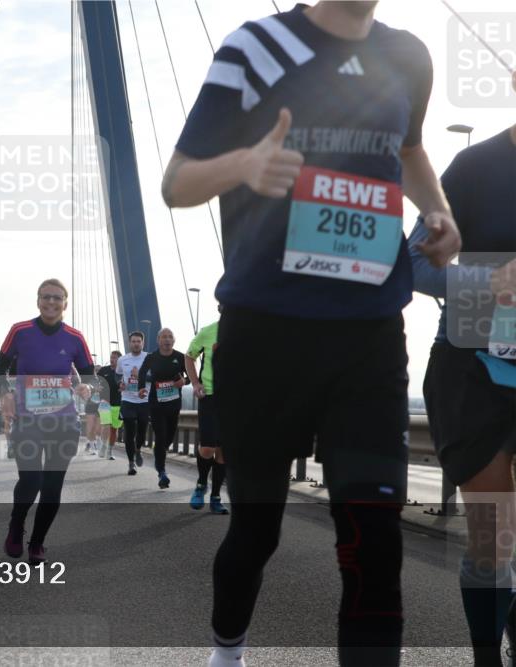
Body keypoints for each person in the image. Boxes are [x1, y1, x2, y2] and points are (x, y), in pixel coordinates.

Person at [161, 2, 461, 664]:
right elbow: (176, 182)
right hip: (267, 334)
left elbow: (409, 150)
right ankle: (227, 648)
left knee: (374, 543)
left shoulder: (408, 56)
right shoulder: (257, 49)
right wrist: (242, 165)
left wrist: (438, 213)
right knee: (256, 530)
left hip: (370, 336)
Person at [409, 114, 516, 667]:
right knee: (494, 537)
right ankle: (484, 657)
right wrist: (488, 279)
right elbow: (413, 266)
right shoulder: (474, 169)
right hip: (473, 371)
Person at [0, 278, 93, 564]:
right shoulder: (20, 331)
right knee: (31, 480)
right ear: (38, 301)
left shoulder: (75, 337)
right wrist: (6, 394)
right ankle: (16, 524)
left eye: (57, 298)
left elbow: (89, 373)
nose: (51, 302)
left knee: (52, 487)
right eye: (46, 297)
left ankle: (37, 543)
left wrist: (87, 387)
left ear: (65, 303)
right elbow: (1, 366)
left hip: (63, 422)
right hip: (27, 420)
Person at [185, 309, 229, 515]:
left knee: (224, 453)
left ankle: (216, 497)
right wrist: (194, 383)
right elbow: (189, 356)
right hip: (210, 396)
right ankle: (201, 484)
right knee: (207, 448)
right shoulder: (208, 332)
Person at [138, 328, 187, 490]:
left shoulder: (180, 357)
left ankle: (159, 452)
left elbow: (190, 376)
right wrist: (141, 388)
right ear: (158, 340)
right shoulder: (152, 357)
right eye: (164, 337)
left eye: (170, 337)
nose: (167, 339)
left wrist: (184, 382)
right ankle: (162, 472)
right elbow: (142, 373)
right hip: (156, 403)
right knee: (161, 435)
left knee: (169, 438)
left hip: (174, 403)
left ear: (174, 340)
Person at [117, 332, 149, 475]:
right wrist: (120, 383)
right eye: (134, 341)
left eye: (139, 341)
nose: (136, 344)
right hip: (128, 399)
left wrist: (141, 375)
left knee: (142, 430)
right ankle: (131, 463)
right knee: (129, 432)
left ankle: (138, 449)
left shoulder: (149, 358)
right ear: (130, 343)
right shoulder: (122, 360)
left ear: (143, 343)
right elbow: (117, 375)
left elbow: (155, 376)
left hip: (144, 400)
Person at [96, 351, 122, 460]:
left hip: (118, 403)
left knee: (114, 429)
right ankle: (103, 446)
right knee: (106, 425)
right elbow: (95, 381)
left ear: (119, 360)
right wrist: (97, 387)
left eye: (115, 358)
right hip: (104, 402)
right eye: (111, 357)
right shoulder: (103, 370)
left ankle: (110, 451)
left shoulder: (123, 372)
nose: (112, 359)